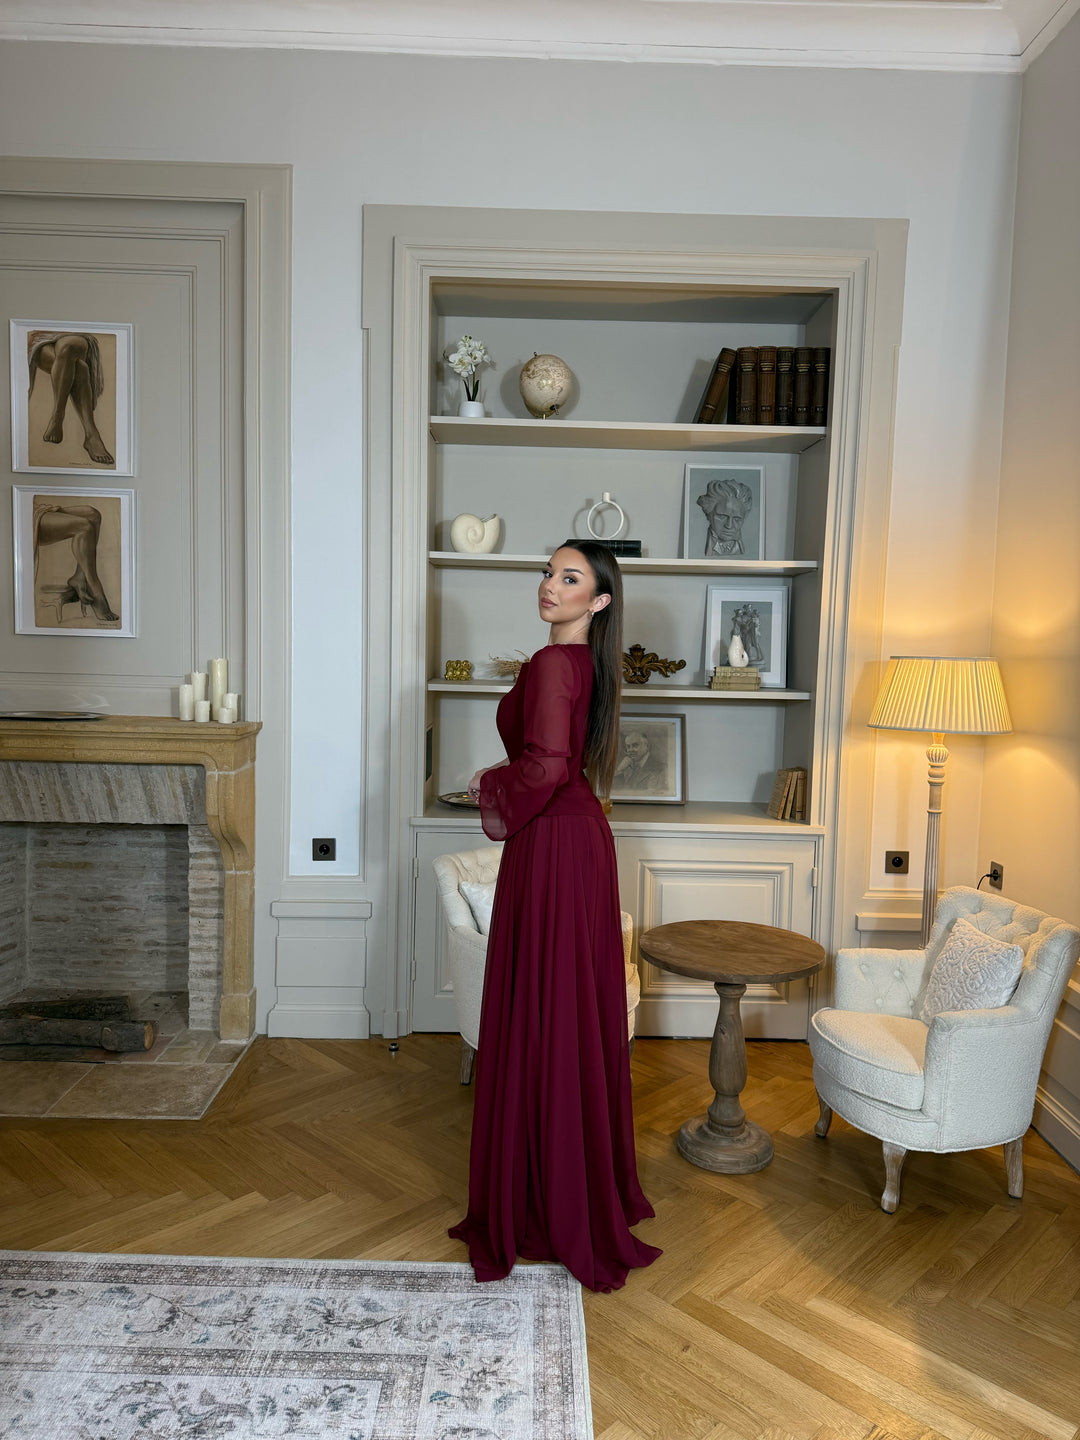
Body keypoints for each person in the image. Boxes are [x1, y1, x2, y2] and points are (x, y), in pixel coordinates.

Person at [448, 540, 661, 1293]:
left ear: (598, 601)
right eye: (548, 572)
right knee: (567, 1012)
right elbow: (561, 766)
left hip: (554, 846)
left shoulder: (549, 666)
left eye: (570, 578)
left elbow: (541, 768)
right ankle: (572, 1185)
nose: (550, 585)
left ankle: (541, 1193)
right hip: (579, 844)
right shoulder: (590, 666)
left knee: (544, 1010)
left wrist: (488, 779)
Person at [27, 331, 114, 466]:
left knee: (69, 346)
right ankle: (91, 435)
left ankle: (57, 415)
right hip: (41, 336)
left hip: (74, 333)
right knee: (80, 367)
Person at [613, 728, 667, 794]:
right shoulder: (626, 767)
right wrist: (619, 770)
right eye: (628, 746)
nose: (630, 750)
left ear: (646, 746)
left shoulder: (661, 769)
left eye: (635, 745)